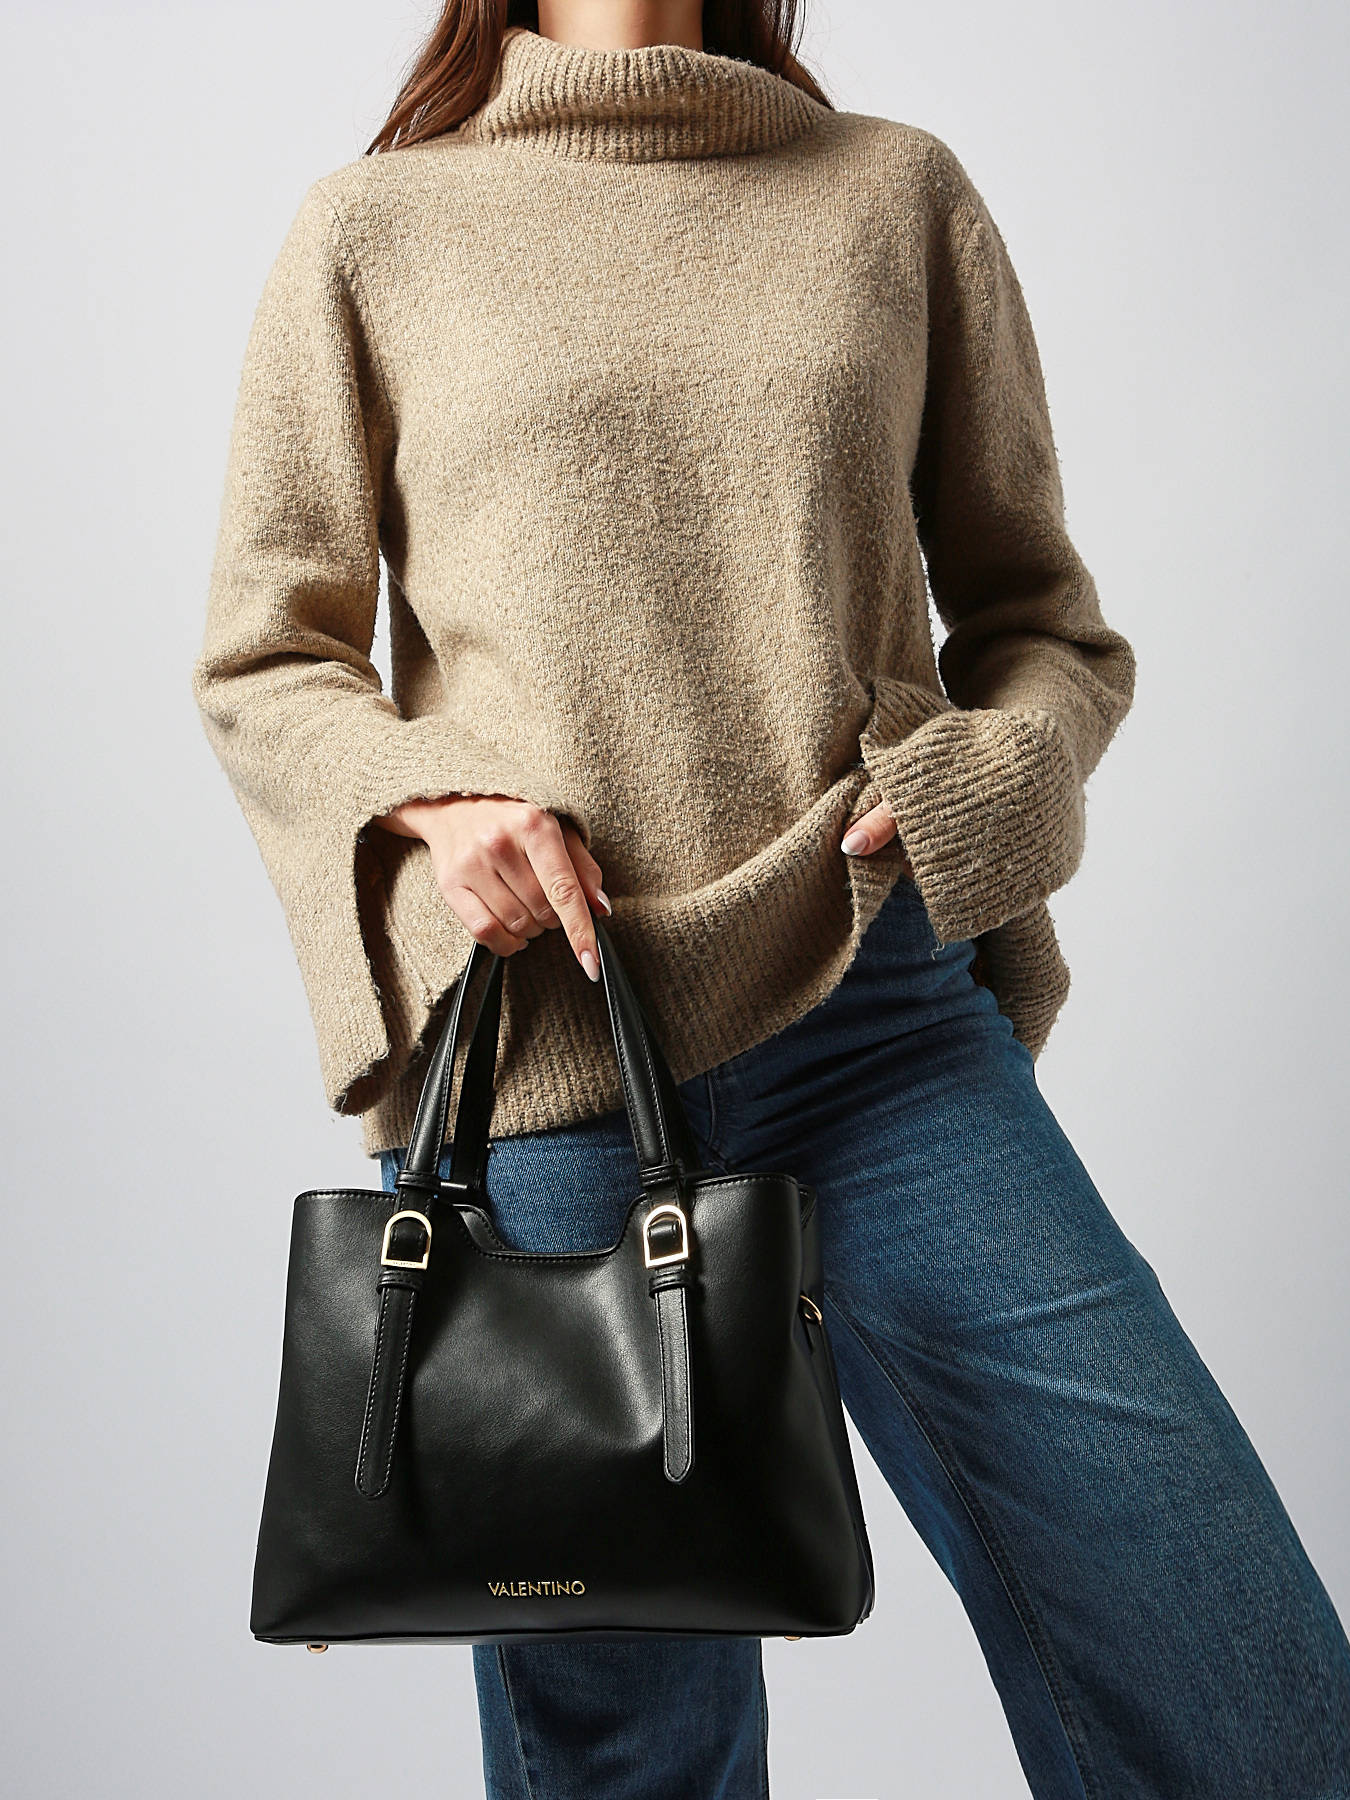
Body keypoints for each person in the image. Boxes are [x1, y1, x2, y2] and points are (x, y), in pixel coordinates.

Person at [191, 1, 1350, 1793]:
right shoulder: (377, 226)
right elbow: (267, 657)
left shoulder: (891, 196)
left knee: (1238, 1678)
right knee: (627, 1760)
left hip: (880, 1030)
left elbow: (1046, 629)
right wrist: (427, 799)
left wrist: (998, 772)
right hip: (554, 1064)